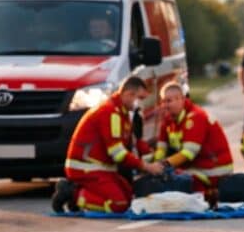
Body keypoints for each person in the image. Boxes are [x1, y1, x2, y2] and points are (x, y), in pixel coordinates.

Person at [52, 76, 164, 213]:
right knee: (119, 204)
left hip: (102, 168)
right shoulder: (111, 113)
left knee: (129, 197)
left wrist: (154, 155)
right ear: (129, 94)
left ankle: (81, 194)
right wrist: (147, 166)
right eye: (140, 99)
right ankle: (73, 194)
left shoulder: (121, 112)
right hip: (86, 168)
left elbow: (132, 143)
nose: (141, 104)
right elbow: (118, 153)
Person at [153, 81, 234, 201]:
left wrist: (162, 166)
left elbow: (188, 154)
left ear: (181, 99)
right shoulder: (169, 120)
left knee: (180, 182)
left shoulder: (196, 117)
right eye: (163, 101)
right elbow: (161, 149)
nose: (165, 105)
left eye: (169, 101)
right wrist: (153, 165)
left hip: (212, 169)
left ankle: (209, 195)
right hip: (197, 166)